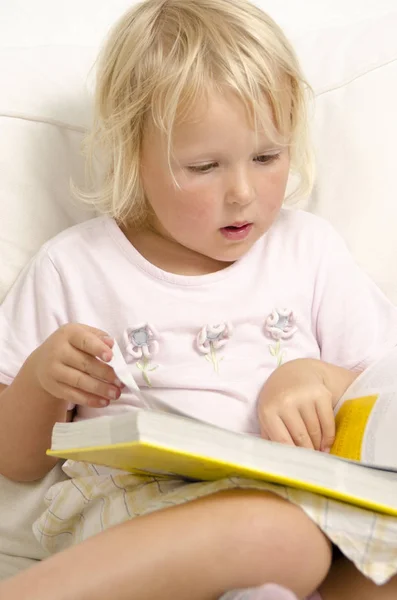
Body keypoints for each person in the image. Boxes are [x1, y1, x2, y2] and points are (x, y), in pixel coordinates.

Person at [1, 1, 397, 598]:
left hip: (312, 510)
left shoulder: (309, 250)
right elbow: (17, 461)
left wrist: (311, 376)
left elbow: (382, 402)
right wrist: (41, 380)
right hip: (141, 511)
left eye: (267, 157)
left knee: (376, 566)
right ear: (133, 156)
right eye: (204, 166)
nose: (243, 193)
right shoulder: (73, 266)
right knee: (276, 538)